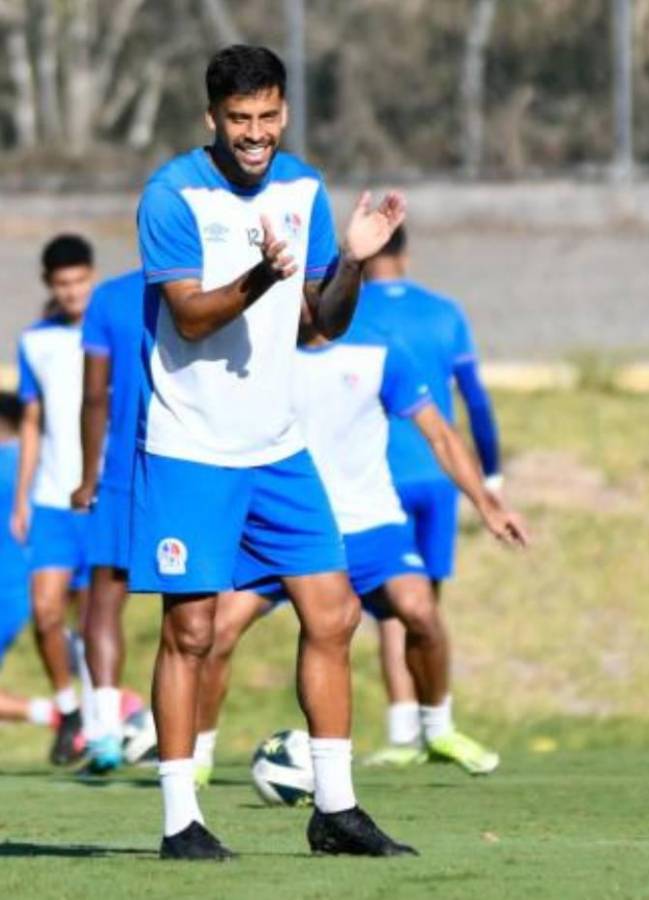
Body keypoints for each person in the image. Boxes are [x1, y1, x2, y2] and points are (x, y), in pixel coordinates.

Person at [134, 44, 409, 860]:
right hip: (191, 448)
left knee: (336, 612)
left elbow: (323, 321)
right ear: (211, 118)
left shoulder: (303, 189)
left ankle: (335, 810)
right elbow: (187, 317)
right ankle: (182, 819)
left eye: (267, 117)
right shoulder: (171, 194)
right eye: (238, 120)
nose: (254, 134)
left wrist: (352, 257)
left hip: (278, 449)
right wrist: (260, 277)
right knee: (190, 634)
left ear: (284, 111)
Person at [193, 305, 527, 783]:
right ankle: (198, 760)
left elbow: (440, 436)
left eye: (317, 289)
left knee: (421, 612)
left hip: (370, 523)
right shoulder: (257, 352)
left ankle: (437, 731)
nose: (306, 302)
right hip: (282, 527)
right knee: (218, 630)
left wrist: (487, 503)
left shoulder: (379, 351)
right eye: (301, 290)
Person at [352, 226, 505, 772]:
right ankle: (437, 723)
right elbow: (476, 401)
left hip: (377, 477)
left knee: (392, 613)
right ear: (407, 255)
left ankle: (402, 733)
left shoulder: (347, 312)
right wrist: (492, 475)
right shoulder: (445, 312)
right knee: (426, 607)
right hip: (439, 477)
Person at [12, 235, 95, 765]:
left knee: (92, 624)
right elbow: (32, 421)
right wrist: (21, 498)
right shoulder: (35, 341)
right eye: (62, 285)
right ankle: (68, 709)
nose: (72, 293)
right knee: (45, 612)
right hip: (50, 500)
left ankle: (100, 715)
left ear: (91, 278)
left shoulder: (111, 331)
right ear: (50, 286)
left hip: (102, 499)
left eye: (79, 282)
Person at [70, 268, 143, 774]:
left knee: (104, 596)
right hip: (197, 467)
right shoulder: (216, 284)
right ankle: (197, 741)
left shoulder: (111, 298)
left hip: (122, 469)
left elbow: (96, 396)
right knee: (200, 604)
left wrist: (87, 475)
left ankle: (106, 732)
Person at [0, 390, 56, 730]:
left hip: (8, 590)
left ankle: (67, 716)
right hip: (32, 587)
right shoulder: (39, 464)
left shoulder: (9, 464)